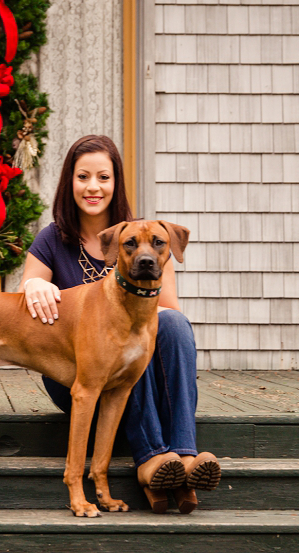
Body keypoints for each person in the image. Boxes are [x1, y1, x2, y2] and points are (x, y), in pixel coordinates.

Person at [19, 134, 220, 514]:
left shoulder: (146, 235)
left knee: (167, 325)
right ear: (69, 183)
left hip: (130, 367)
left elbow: (168, 317)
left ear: (116, 183)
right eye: (83, 177)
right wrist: (33, 283)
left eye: (103, 177)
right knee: (123, 337)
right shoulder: (51, 238)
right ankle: (151, 459)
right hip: (74, 371)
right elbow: (25, 290)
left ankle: (183, 456)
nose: (93, 186)